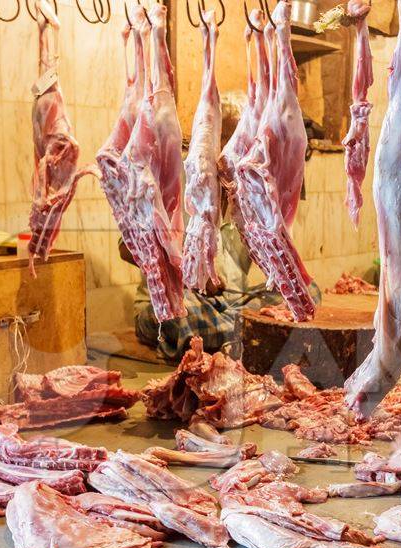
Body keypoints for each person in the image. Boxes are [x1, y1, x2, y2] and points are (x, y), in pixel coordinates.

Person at [129, 95, 320, 359]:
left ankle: (243, 329)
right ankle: (247, 331)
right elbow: (128, 248)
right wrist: (190, 269)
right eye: (233, 141)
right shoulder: (179, 177)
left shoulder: (247, 187)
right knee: (179, 318)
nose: (242, 152)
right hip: (179, 301)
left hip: (231, 301)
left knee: (307, 294)